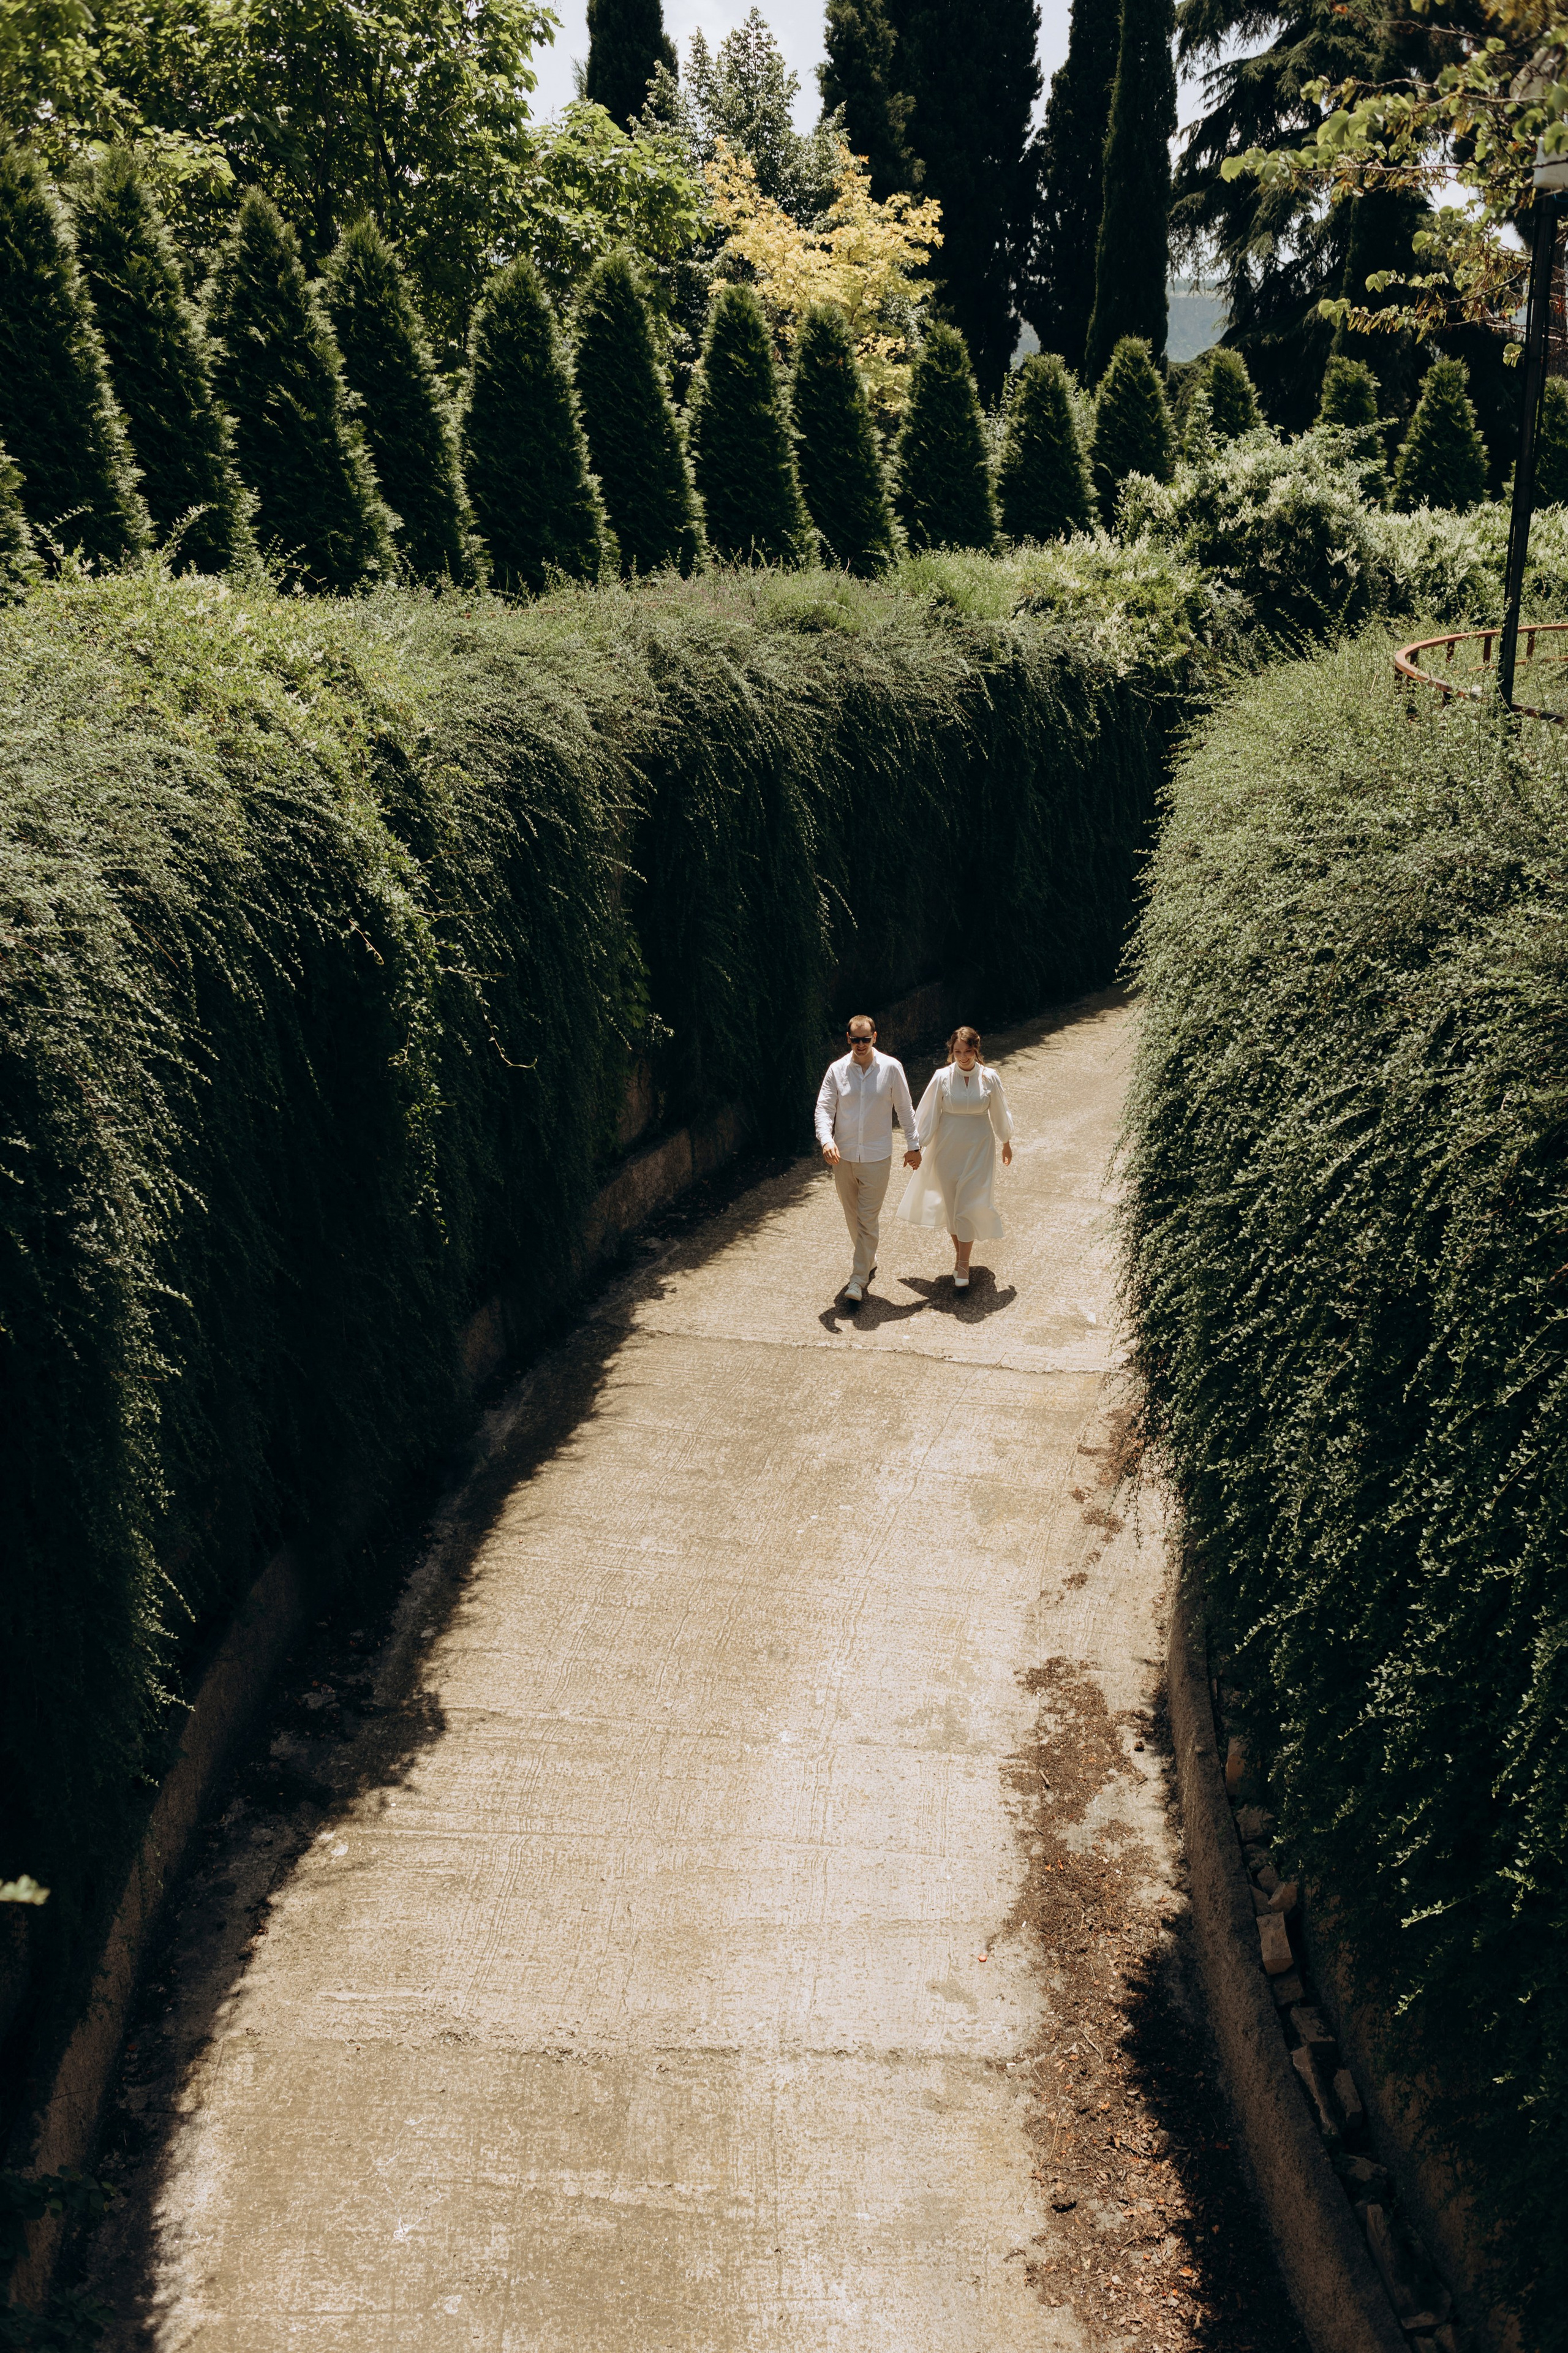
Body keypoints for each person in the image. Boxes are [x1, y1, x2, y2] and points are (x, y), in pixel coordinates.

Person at [896, 1026, 1013, 1290]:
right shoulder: (942, 1077)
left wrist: (1006, 1142)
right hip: (946, 1147)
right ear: (952, 1051)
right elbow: (926, 1114)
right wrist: (916, 1147)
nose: (963, 1057)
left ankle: (962, 1263)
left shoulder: (990, 1077)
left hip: (980, 1147)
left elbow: (1000, 1112)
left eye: (968, 1051)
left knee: (968, 1204)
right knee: (952, 1207)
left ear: (976, 1050)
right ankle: (963, 1258)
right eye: (957, 1051)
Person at [815, 1016, 921, 1304]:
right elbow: (824, 1109)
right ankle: (868, 1258)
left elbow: (905, 1108)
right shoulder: (837, 1070)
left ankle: (858, 1279)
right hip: (843, 1157)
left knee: (867, 1220)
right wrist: (826, 1140)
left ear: (875, 1037)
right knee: (853, 1217)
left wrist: (914, 1146)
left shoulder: (891, 1068)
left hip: (876, 1157)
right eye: (855, 1040)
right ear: (847, 1039)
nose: (860, 1045)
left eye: (866, 1039)